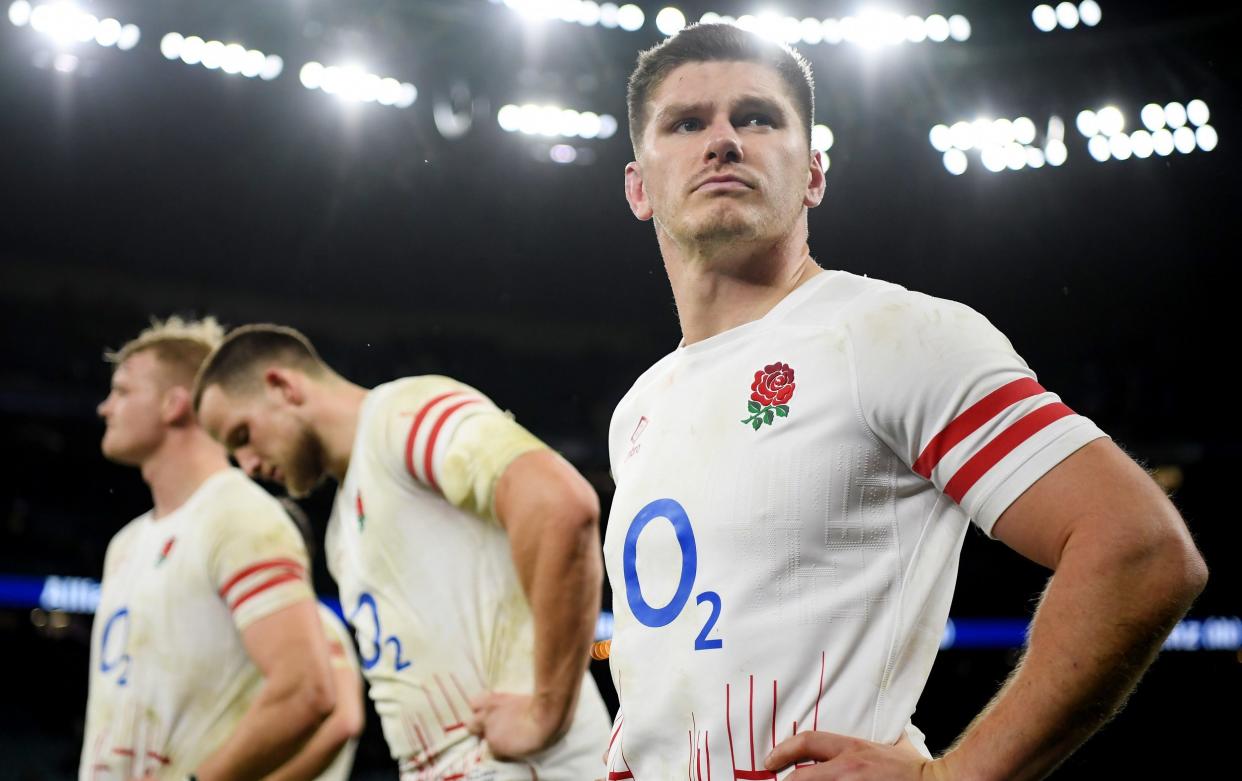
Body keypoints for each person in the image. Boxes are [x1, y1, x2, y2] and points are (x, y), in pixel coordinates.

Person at [602, 23, 1207, 780]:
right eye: (686, 123)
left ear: (814, 173)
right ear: (637, 186)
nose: (722, 140)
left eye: (757, 117)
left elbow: (1140, 545)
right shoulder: (640, 406)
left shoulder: (888, 335)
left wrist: (954, 776)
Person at [192, 325, 612, 780]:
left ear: (283, 387)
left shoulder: (401, 416)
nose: (248, 465)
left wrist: (545, 712)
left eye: (242, 436)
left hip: (526, 765)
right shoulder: (340, 531)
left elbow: (557, 504)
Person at [84, 317, 360, 780]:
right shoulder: (126, 544)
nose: (105, 408)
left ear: (174, 405)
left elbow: (306, 693)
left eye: (123, 391)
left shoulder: (239, 517)